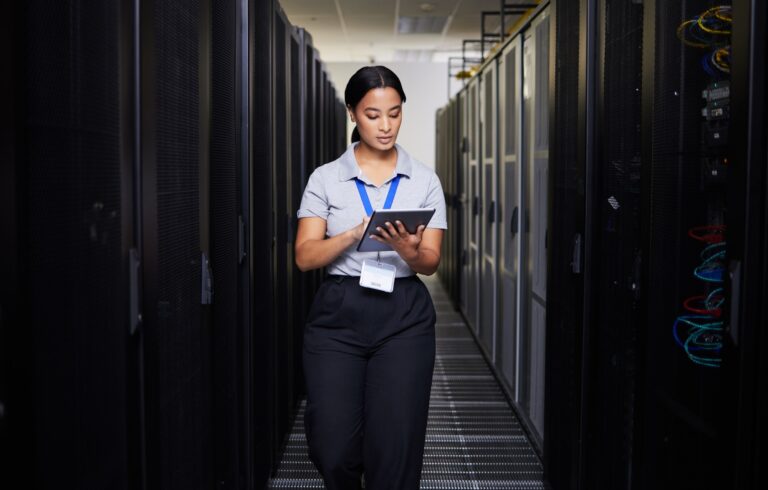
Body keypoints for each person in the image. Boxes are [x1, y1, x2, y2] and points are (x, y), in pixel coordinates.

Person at [294, 65, 447, 490]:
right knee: (333, 448)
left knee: (395, 449)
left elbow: (431, 261)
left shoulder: (425, 181)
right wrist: (352, 234)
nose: (386, 126)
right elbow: (305, 257)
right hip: (338, 312)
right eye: (373, 114)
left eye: (395, 114)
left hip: (404, 315)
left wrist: (407, 249)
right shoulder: (325, 179)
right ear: (352, 113)